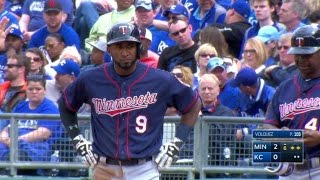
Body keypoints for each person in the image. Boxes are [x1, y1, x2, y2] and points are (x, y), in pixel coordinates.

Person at [58, 22, 201, 179]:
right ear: (109, 49)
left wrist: (177, 142)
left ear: (138, 48)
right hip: (105, 168)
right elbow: (65, 104)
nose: (125, 52)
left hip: (145, 168)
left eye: (130, 46)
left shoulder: (160, 79)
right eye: (119, 46)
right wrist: (78, 139)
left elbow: (193, 104)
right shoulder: (91, 78)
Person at [263, 25, 320, 179]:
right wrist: (278, 135)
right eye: (297, 54)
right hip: (289, 168)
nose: (301, 59)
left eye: (307, 55)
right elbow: (268, 125)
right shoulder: (285, 87)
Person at [0, 74, 61, 175]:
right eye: (30, 89)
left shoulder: (50, 108)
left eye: (38, 89)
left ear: (44, 90)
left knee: (23, 153)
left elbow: (44, 133)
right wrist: (4, 137)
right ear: (26, 90)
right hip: (12, 144)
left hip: (36, 148)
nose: (34, 92)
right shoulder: (20, 106)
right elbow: (8, 127)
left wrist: (16, 140)